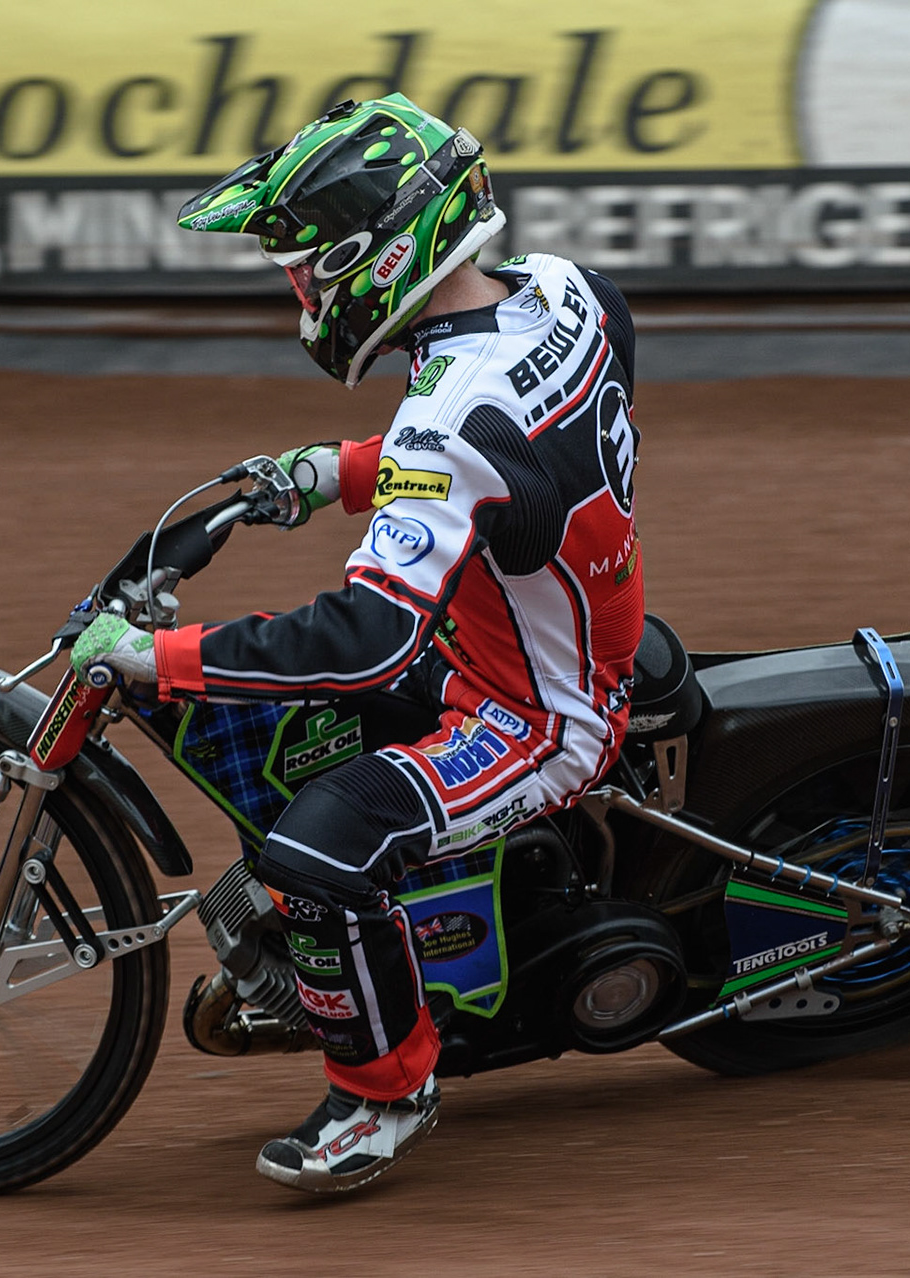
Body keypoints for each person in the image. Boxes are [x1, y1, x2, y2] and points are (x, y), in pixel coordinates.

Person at [70, 93, 643, 1194]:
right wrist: (340, 471)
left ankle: (386, 1094)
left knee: (316, 854)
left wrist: (159, 658)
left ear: (375, 259)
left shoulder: (444, 422)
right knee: (307, 748)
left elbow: (372, 635)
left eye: (307, 272)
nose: (302, 294)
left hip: (538, 716)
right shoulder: (571, 291)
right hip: (533, 633)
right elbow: (510, 445)